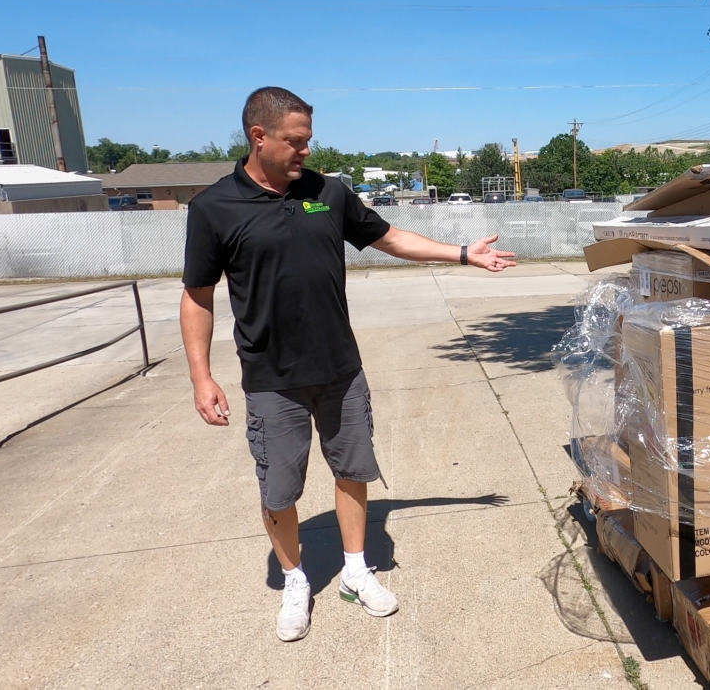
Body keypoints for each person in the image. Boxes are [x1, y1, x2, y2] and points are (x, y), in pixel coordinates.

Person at [179, 87, 516, 642]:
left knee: (353, 471)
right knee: (279, 491)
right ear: (259, 137)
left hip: (341, 369)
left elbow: (390, 238)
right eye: (295, 141)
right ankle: (295, 580)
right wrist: (201, 376)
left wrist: (462, 254)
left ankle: (357, 571)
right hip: (272, 380)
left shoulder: (328, 192)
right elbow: (197, 295)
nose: (305, 151)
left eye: (308, 140)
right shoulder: (214, 206)